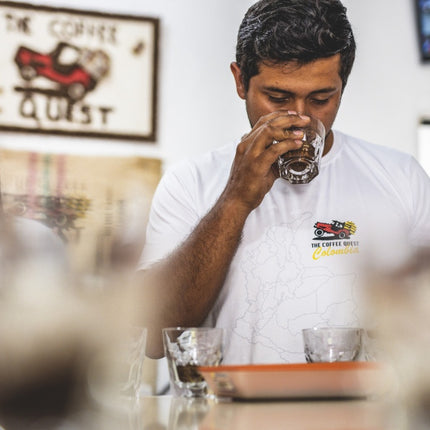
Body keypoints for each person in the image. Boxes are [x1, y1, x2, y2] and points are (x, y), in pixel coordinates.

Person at [137, 0, 430, 364]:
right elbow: (156, 339)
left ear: (343, 87)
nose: (301, 119)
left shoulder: (401, 177)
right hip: (234, 420)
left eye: (321, 98)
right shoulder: (190, 182)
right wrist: (235, 200)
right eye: (278, 97)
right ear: (241, 81)